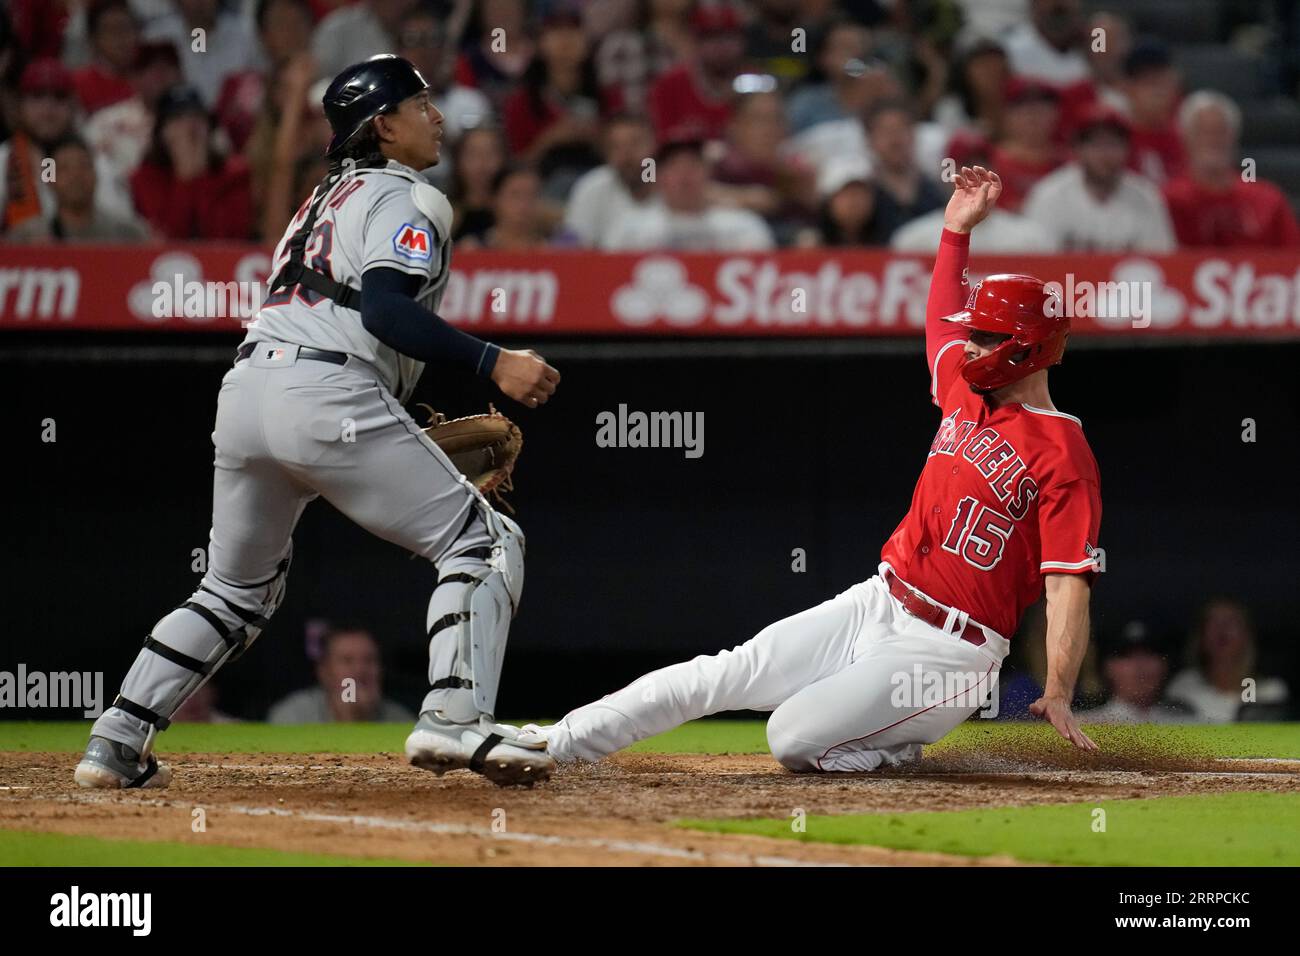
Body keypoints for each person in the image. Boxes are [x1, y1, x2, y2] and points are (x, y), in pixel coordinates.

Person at [76, 55, 561, 792]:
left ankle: (117, 738)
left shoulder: (318, 202)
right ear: (383, 125)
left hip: (247, 394)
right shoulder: (409, 195)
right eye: (420, 104)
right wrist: (494, 361)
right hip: (326, 392)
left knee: (233, 592)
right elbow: (385, 310)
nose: (436, 117)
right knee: (483, 541)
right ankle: (454, 718)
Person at [517, 166, 1104, 771]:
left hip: (953, 653)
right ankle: (554, 743)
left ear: (1028, 346)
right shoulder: (966, 390)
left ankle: (894, 753)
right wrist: (955, 232)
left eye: (985, 335)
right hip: (879, 599)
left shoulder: (1063, 452)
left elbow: (1067, 583)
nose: (971, 343)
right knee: (724, 673)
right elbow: (940, 318)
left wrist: (1057, 687)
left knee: (791, 737)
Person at [1021, 105, 1176, 252]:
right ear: (1077, 149)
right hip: (1063, 280)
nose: (1105, 154)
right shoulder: (1049, 195)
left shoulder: (1146, 197)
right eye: (1096, 145)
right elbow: (1037, 263)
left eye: (1113, 144)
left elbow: (1159, 262)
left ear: (1127, 150)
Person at [1163, 91, 1300, 248]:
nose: (1212, 140)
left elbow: (1294, 261)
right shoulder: (1166, 201)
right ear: (1184, 138)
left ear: (1234, 137)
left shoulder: (1269, 201)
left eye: (1220, 131)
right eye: (1202, 131)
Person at [603, 136, 774, 251]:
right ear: (658, 176)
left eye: (693, 164)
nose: (684, 175)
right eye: (674, 166)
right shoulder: (630, 229)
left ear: (708, 172)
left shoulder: (743, 227)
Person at [129, 84, 253, 239]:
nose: (189, 129)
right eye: (177, 120)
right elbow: (166, 239)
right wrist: (185, 178)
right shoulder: (145, 178)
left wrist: (200, 177)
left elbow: (229, 237)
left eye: (197, 118)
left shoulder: (235, 174)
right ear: (161, 134)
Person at [1166, 599, 1290, 722]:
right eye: (1213, 622)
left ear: (1247, 636)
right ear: (1200, 637)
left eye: (1231, 621)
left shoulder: (1270, 691)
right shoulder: (1183, 685)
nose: (1222, 628)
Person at [7, 134, 149, 242]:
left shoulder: (128, 235)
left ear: (96, 174)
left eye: (84, 166)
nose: (76, 176)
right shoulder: (26, 237)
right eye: (65, 168)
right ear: (49, 179)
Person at [268, 625, 414, 723]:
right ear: (324, 671)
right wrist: (347, 717)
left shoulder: (401, 721)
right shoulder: (293, 716)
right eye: (347, 661)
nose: (360, 670)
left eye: (369, 660)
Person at [562, 112, 656, 248]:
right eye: (617, 147)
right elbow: (573, 245)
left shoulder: (675, 183)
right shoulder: (592, 186)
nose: (627, 155)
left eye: (635, 143)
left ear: (653, 146)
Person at [1085, 620, 1194, 724]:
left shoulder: (1190, 723)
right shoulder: (1085, 727)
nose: (1140, 666)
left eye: (1150, 654)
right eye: (1126, 656)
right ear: (1107, 667)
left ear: (1165, 665)